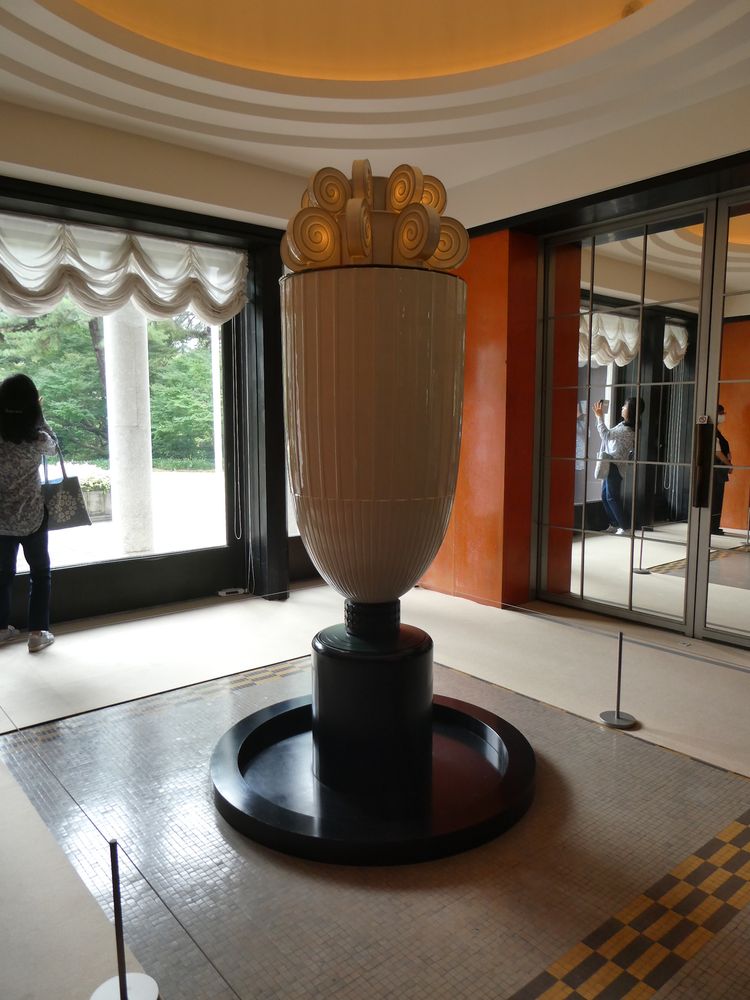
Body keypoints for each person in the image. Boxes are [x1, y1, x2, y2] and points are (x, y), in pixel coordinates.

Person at [0, 373, 57, 652]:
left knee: (2, 575)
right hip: (33, 516)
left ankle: (1, 628)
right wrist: (38, 415)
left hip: (1, 521)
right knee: (40, 572)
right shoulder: (39, 439)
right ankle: (37, 633)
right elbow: (54, 446)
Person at [593, 396, 643, 535]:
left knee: (611, 497)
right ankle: (614, 524)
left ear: (630, 411)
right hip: (611, 464)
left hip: (615, 466)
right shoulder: (624, 425)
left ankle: (625, 527)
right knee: (605, 496)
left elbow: (606, 435)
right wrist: (599, 416)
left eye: (625, 406)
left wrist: (599, 417)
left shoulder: (627, 430)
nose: (622, 408)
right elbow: (609, 435)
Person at [711, 403, 732, 536]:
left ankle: (714, 526)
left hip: (719, 468)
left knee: (718, 498)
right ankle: (712, 526)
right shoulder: (713, 431)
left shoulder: (716, 431)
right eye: (721, 413)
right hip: (717, 468)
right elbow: (717, 451)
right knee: (716, 498)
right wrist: (728, 464)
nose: (723, 416)